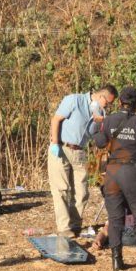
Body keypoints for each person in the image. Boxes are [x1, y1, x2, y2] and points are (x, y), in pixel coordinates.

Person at [92, 86, 136, 271]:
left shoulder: (109, 120)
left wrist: (96, 128)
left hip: (112, 172)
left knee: (115, 218)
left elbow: (100, 142)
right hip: (132, 171)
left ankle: (117, 260)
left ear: (121, 102)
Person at [48, 85, 117, 238]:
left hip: (79, 151)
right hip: (61, 147)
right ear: (101, 97)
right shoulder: (74, 100)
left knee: (82, 191)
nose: (108, 106)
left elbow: (98, 137)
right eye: (108, 103)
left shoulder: (100, 113)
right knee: (62, 189)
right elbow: (56, 119)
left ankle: (75, 224)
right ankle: (64, 227)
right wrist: (54, 143)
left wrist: (101, 123)